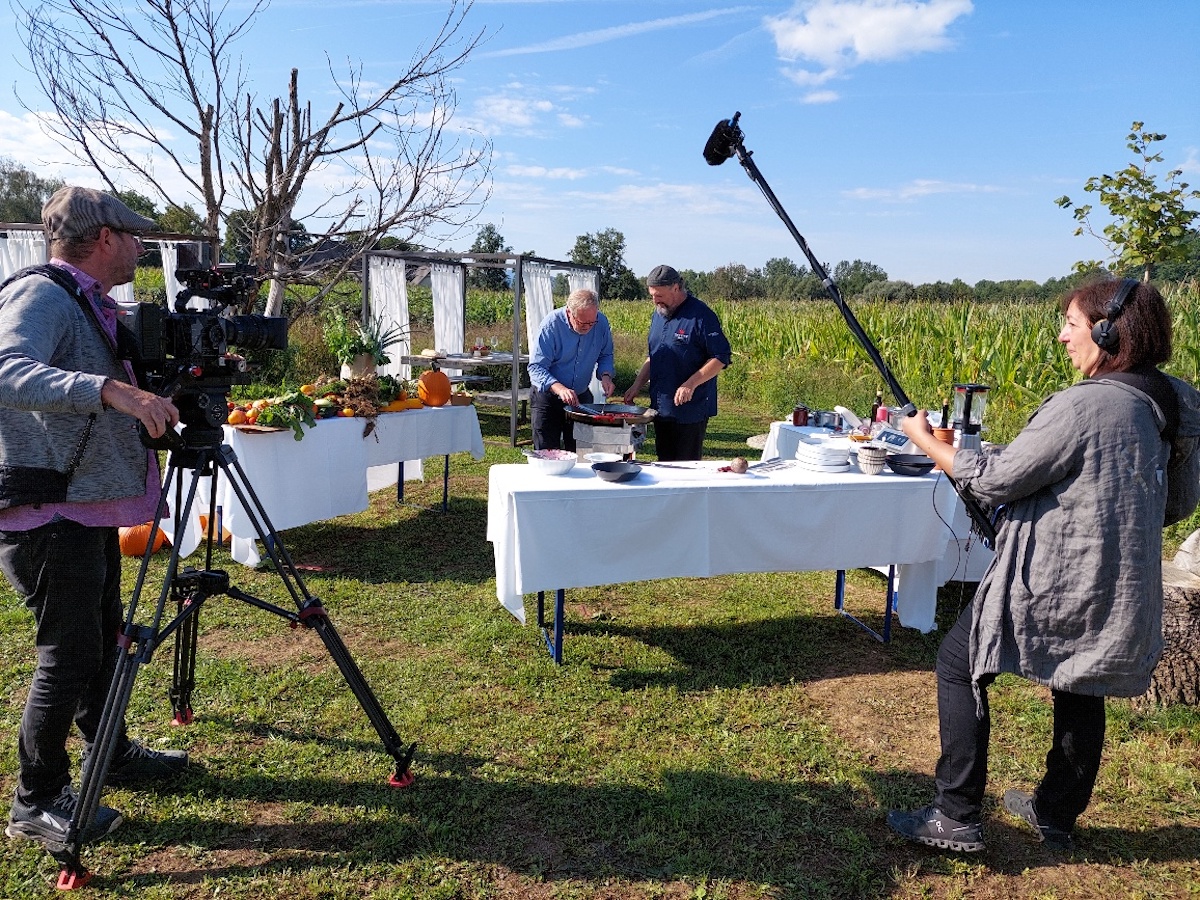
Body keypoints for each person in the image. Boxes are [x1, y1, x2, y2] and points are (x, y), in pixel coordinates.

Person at [887, 278, 1200, 855]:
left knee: (961, 664)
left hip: (1049, 578)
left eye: (1073, 325)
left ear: (1109, 333)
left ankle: (955, 816)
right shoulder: (1180, 399)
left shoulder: (1084, 403)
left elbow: (998, 479)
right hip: (1124, 581)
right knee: (1081, 682)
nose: (1062, 336)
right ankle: (1055, 815)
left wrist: (924, 438)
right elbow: (1177, 502)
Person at [0, 186, 189, 852]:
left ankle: (110, 751)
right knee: (69, 655)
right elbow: (5, 369)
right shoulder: (42, 294)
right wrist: (110, 389)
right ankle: (37, 799)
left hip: (86, 505)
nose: (140, 247)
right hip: (50, 510)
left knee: (103, 639)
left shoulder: (89, 303)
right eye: (133, 235)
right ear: (101, 236)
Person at [622, 265, 731, 460]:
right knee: (665, 463)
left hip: (690, 409)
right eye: (652, 296)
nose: (655, 301)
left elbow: (720, 357)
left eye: (659, 295)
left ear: (675, 288)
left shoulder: (701, 315)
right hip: (661, 406)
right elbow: (654, 355)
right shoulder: (658, 314)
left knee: (685, 468)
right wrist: (637, 384)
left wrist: (690, 384)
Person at [528, 288, 616, 451]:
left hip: (581, 396)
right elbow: (537, 367)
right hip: (548, 397)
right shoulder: (551, 324)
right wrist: (560, 388)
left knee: (582, 452)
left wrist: (605, 376)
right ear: (569, 312)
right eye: (583, 323)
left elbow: (606, 354)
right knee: (548, 453)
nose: (588, 327)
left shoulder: (601, 323)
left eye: (592, 322)